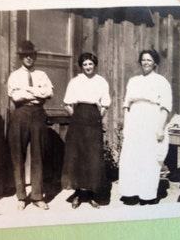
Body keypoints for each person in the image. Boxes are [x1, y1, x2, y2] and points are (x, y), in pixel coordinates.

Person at [118, 49, 173, 205]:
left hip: (152, 121)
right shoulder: (133, 81)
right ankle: (131, 192)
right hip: (134, 122)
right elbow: (126, 104)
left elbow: (165, 106)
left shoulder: (161, 81)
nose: (146, 62)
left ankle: (147, 194)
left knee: (149, 159)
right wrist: (126, 126)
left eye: (149, 60)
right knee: (132, 158)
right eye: (143, 60)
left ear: (155, 63)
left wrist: (161, 128)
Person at [61, 52, 112, 209]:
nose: (88, 67)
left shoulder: (101, 81)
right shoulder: (75, 82)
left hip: (94, 118)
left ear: (94, 65)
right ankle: (77, 194)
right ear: (81, 66)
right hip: (78, 118)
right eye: (85, 64)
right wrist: (76, 116)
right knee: (77, 156)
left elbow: (105, 104)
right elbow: (67, 103)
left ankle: (91, 194)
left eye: (90, 64)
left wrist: (97, 117)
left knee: (93, 157)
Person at [7, 40, 53, 211]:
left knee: (38, 155)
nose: (28, 58)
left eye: (31, 55)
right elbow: (15, 97)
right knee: (18, 155)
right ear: (21, 58)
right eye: (25, 56)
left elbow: (49, 93)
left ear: (35, 57)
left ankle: (37, 196)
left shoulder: (41, 74)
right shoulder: (14, 75)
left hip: (39, 114)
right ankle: (21, 196)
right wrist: (36, 93)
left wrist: (28, 91)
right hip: (21, 114)